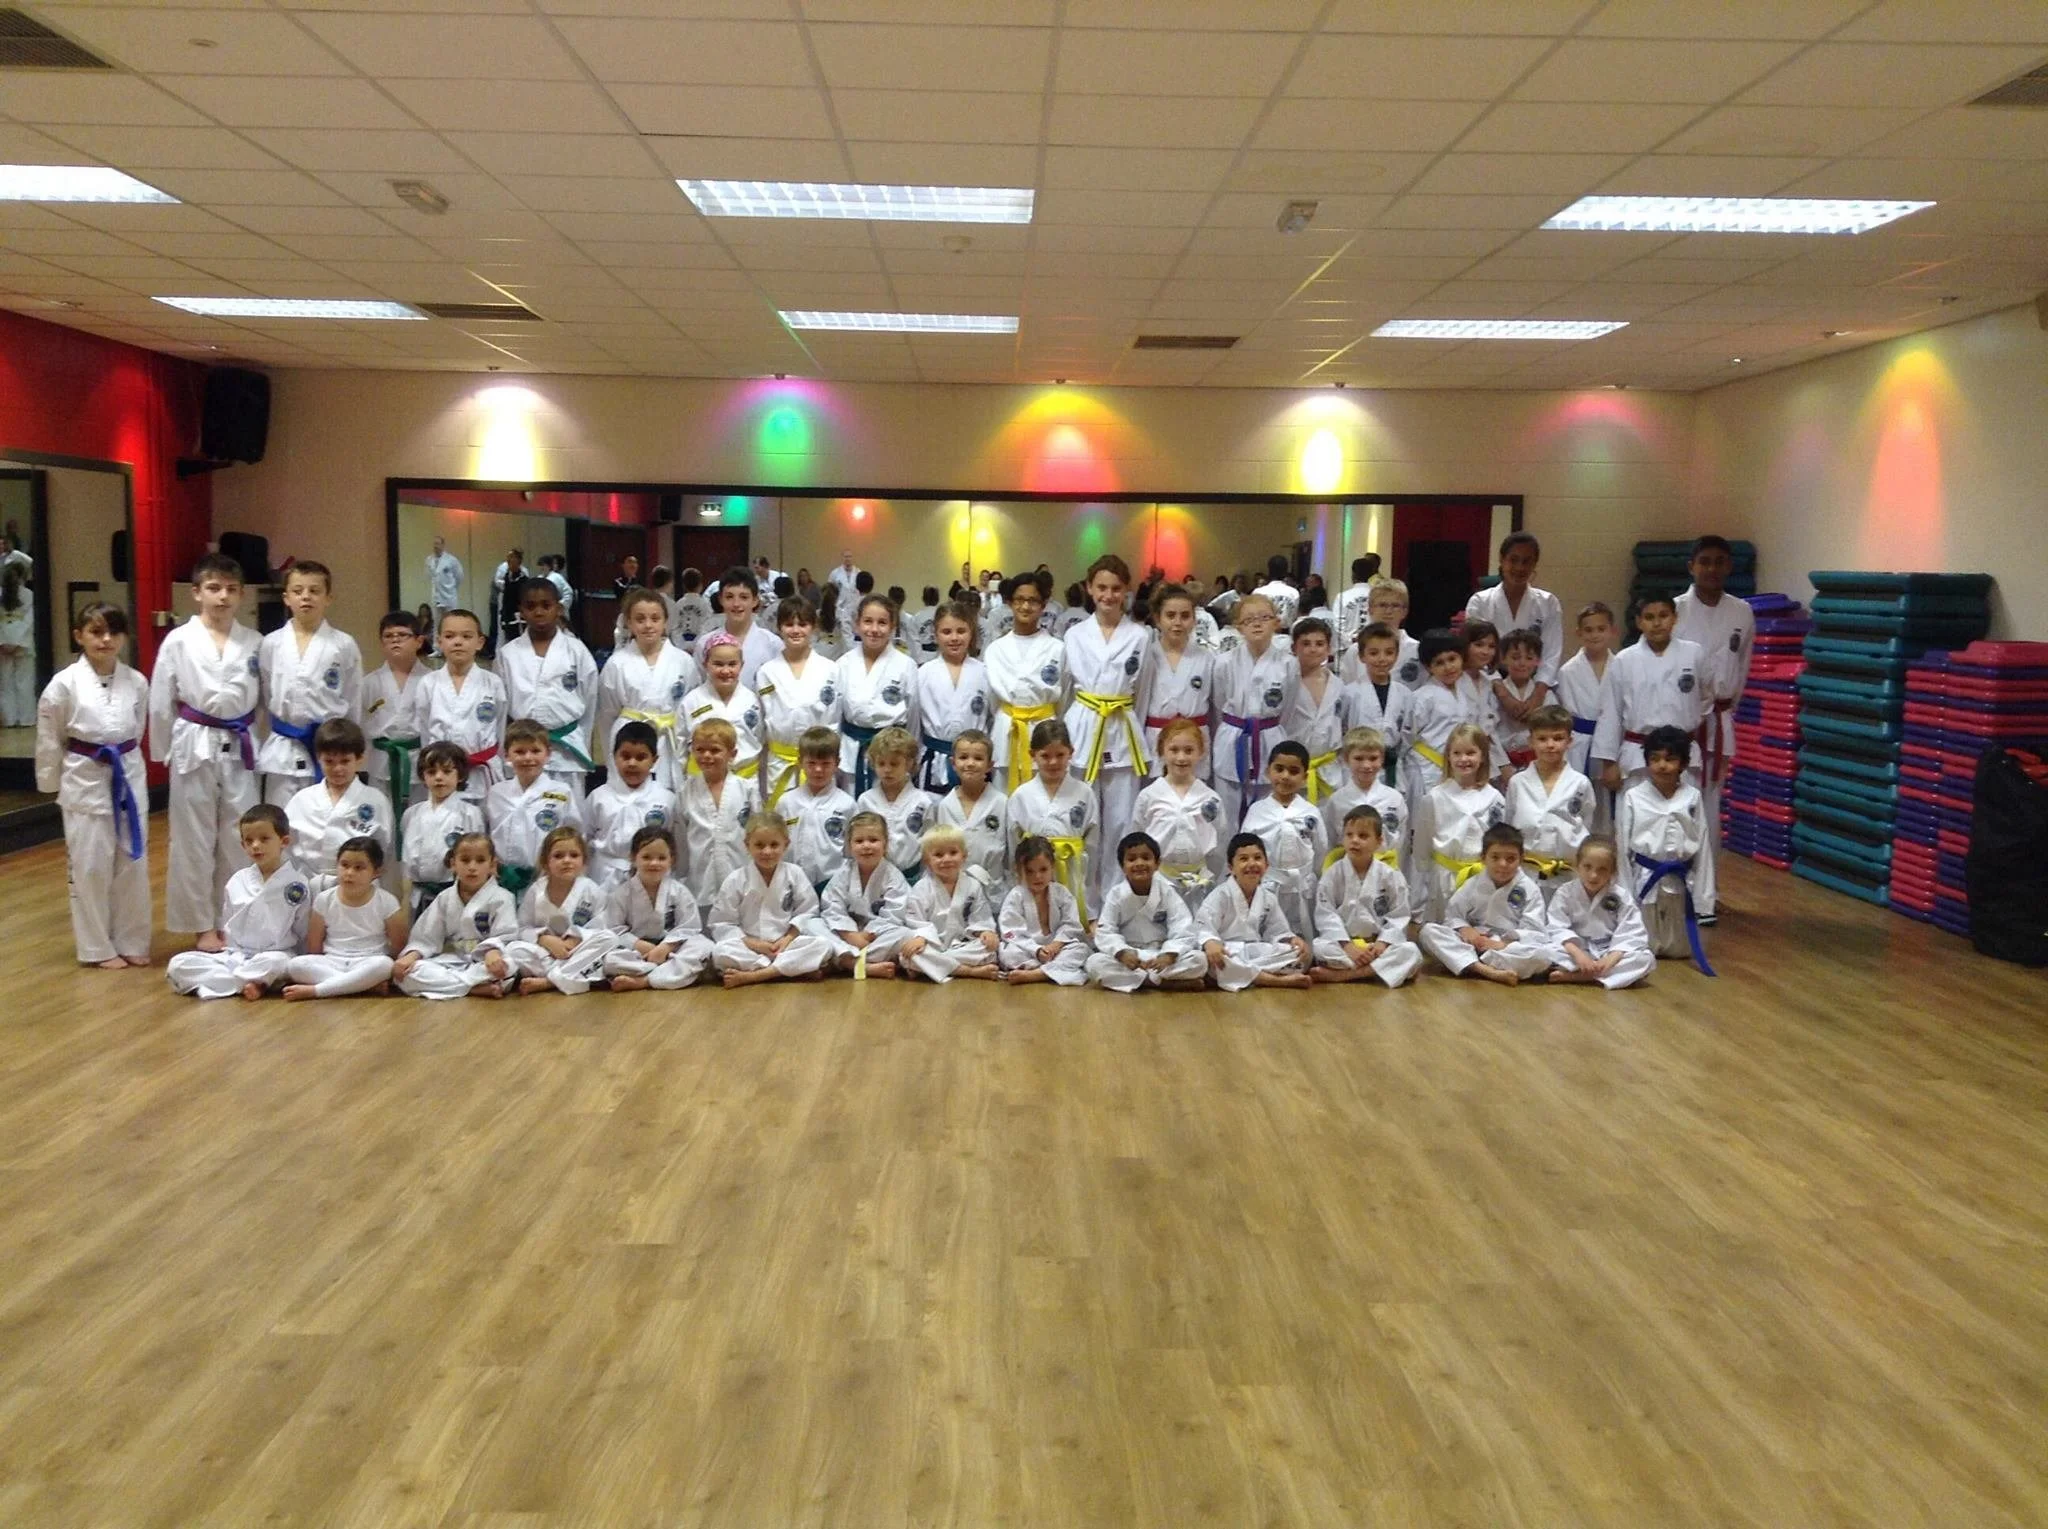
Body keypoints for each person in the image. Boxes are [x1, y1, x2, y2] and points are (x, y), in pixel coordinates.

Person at [150, 552, 263, 950]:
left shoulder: (255, 642)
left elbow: (263, 702)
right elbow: (161, 697)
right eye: (214, 588)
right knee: (193, 837)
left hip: (240, 742)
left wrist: (261, 747)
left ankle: (233, 919)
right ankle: (202, 925)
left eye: (231, 589)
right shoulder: (178, 639)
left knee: (240, 835)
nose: (222, 597)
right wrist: (162, 750)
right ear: (197, 592)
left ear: (242, 595)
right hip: (193, 741)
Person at [37, 601, 151, 968]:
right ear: (79, 636)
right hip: (84, 777)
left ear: (124, 637)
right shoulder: (63, 685)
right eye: (96, 632)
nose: (105, 640)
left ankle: (132, 939)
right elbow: (50, 738)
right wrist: (51, 782)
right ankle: (97, 946)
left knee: (132, 861)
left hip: (128, 772)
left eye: (114, 632)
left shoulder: (136, 681)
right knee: (90, 865)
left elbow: (138, 729)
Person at [1673, 535, 1752, 923]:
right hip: (1680, 723)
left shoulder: (1742, 613)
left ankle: (1707, 891)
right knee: (1677, 808)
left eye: (1720, 561)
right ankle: (1672, 886)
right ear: (1691, 566)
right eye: (1704, 561)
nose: (1712, 568)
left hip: (1718, 720)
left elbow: (1744, 667)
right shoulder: (1675, 611)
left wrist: (1725, 711)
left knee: (1711, 809)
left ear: (1729, 567)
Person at [1062, 555, 1149, 889]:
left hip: (1122, 729)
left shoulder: (1140, 636)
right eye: (1101, 587)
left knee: (1120, 822)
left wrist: (1131, 726)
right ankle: (1081, 901)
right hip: (1084, 725)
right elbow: (1066, 689)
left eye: (1115, 588)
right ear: (1089, 588)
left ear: (1126, 591)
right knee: (1082, 818)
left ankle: (1115, 899)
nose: (1108, 595)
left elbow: (1142, 691)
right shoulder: (1074, 635)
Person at [164, 803, 310, 1000]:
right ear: (243, 845)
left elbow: (302, 931)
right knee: (178, 964)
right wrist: (232, 955)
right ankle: (250, 983)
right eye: (249, 841)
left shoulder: (297, 885)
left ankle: (241, 981)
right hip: (236, 956)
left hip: (275, 954)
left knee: (279, 964)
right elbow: (228, 923)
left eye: (264, 839)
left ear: (284, 841)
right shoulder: (237, 881)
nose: (255, 846)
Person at [1617, 724, 1714, 972]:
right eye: (1655, 758)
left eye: (1670, 759)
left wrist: (1705, 899)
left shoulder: (1691, 796)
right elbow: (1623, 847)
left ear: (1682, 763)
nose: (1662, 765)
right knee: (1643, 945)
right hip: (1645, 875)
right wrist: (1624, 893)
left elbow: (1702, 844)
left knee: (1679, 948)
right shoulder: (1634, 796)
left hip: (1680, 876)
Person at [496, 577, 598, 804]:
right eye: (531, 606)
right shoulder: (508, 654)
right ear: (521, 610)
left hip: (567, 747)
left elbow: (590, 703)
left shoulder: (576, 651)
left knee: (568, 815)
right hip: (523, 749)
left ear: (558, 608)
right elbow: (501, 709)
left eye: (546, 605)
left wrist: (584, 740)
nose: (539, 612)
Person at [1417, 823, 1553, 985]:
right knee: (1428, 931)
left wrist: (1503, 944)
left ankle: (1471, 963)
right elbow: (1453, 915)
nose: (1503, 864)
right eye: (1495, 857)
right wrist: (1466, 929)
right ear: (1483, 858)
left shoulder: (1530, 889)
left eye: (1510, 859)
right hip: (1473, 942)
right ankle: (1486, 970)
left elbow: (1534, 931)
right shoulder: (1473, 883)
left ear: (1521, 859)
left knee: (1543, 956)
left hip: (1505, 947)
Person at [709, 812, 832, 987]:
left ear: (786, 845)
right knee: (720, 952)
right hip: (750, 948)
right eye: (759, 845)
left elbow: (808, 912)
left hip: (786, 945)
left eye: (774, 845)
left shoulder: (794, 873)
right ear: (747, 845)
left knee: (823, 945)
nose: (767, 851)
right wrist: (754, 944)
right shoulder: (736, 879)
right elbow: (722, 923)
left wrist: (788, 938)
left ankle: (757, 975)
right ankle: (792, 969)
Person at [594, 587, 697, 791]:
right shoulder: (616, 664)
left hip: (670, 741)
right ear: (629, 623)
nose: (648, 625)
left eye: (655, 618)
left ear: (666, 621)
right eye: (640, 619)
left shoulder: (683, 661)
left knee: (668, 802)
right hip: (630, 742)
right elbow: (607, 716)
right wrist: (612, 756)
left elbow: (691, 710)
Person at [394, 830, 518, 998]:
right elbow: (426, 938)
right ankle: (474, 988)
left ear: (492, 865)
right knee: (407, 974)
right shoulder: (444, 898)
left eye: (480, 860)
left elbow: (506, 936)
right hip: (454, 960)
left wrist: (493, 951)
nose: (472, 867)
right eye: (465, 860)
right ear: (453, 863)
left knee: (510, 965)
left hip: (486, 961)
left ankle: (455, 986)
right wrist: (412, 955)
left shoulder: (502, 898)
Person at [282, 836, 408, 1000]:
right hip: (333, 960)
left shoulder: (386, 901)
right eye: (344, 865)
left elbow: (398, 945)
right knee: (295, 965)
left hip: (369, 960)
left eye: (359, 868)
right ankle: (363, 986)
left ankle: (318, 991)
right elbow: (314, 945)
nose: (349, 873)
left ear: (376, 872)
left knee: (385, 965)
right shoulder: (324, 899)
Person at [1309, 805, 1421, 987]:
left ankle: (1345, 975)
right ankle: (1381, 970)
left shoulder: (1390, 875)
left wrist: (1383, 944)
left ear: (1379, 841)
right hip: (1346, 945)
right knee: (1319, 947)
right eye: (1349, 835)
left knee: (1411, 951)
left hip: (1377, 945)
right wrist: (1349, 947)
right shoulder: (1333, 874)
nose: (1355, 841)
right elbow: (1326, 915)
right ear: (1342, 839)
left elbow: (1399, 915)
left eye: (1363, 836)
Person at [504, 826, 622, 996]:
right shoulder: (536, 891)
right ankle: (571, 976)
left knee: (609, 939)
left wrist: (576, 938)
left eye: (574, 855)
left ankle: (549, 981)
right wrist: (544, 939)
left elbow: (601, 925)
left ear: (584, 860)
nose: (567, 860)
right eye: (558, 856)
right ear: (546, 862)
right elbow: (522, 928)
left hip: (578, 950)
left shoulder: (591, 889)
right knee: (513, 949)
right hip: (547, 954)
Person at [1086, 831, 1208, 993]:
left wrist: (1169, 954)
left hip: (1161, 955)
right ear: (1122, 866)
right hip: (1131, 956)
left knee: (1200, 960)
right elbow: (1106, 931)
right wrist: (1122, 952)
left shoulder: (1167, 892)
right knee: (1094, 963)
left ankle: (1141, 981)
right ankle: (1162, 983)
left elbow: (1182, 927)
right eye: (1131, 859)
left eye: (1146, 857)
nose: (1139, 863)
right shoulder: (1116, 894)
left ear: (1157, 863)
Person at [406, 608, 505, 801]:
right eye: (450, 636)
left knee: (482, 829)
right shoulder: (428, 683)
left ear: (480, 642)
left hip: (483, 773)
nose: (458, 642)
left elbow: (500, 729)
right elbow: (425, 733)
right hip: (442, 775)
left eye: (467, 636)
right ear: (439, 641)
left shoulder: (493, 683)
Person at [1212, 593, 1294, 826]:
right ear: (1238, 627)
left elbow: (1287, 708)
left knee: (1266, 812)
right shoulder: (1224, 662)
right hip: (1233, 735)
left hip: (1269, 736)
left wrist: (1271, 729)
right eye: (1249, 619)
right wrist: (1233, 728)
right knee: (1227, 814)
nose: (1257, 623)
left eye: (1264, 617)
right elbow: (1219, 705)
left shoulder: (1288, 664)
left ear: (1276, 623)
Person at [1412, 721, 1506, 923]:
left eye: (1471, 753)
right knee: (1442, 931)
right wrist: (1425, 877)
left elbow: (1501, 841)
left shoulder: (1494, 798)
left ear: (1482, 757)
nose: (1464, 759)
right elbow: (1422, 843)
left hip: (1482, 876)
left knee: (1479, 930)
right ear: (1448, 757)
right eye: (1457, 753)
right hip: (1444, 876)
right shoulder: (1434, 797)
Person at [1006, 718, 1098, 926]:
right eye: (1045, 756)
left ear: (1071, 753)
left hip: (1072, 869)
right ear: (1032, 755)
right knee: (1036, 925)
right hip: (1034, 872)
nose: (1053, 762)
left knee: (1071, 927)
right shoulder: (1021, 795)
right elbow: (1014, 843)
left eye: (1060, 755)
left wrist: (1088, 883)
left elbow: (1092, 844)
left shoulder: (1084, 793)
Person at [282, 718, 394, 886]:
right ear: (318, 758)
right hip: (308, 883)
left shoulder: (376, 801)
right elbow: (286, 848)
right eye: (329, 761)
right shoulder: (301, 800)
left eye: (345, 761)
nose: (337, 769)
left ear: (360, 759)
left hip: (359, 887)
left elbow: (384, 849)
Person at [1130, 716, 1224, 912]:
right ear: (1161, 752)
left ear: (1200, 753)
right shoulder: (1149, 796)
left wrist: (1213, 876)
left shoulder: (1210, 798)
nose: (1181, 757)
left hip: (1200, 881)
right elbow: (1137, 837)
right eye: (1174, 750)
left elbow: (1220, 841)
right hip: (1161, 880)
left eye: (1189, 751)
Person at [1197, 833, 1313, 990]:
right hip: (1228, 951)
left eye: (1257, 858)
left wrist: (1291, 940)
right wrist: (1210, 942)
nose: (1252, 864)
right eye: (1243, 859)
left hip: (1255, 951)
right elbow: (1204, 927)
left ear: (1266, 865)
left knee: (1299, 954)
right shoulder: (1221, 895)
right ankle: (1275, 980)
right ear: (1231, 868)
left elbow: (1278, 931)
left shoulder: (1268, 897)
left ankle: (1245, 975)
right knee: (1210, 961)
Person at [604, 827, 712, 991]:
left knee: (704, 947)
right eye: (647, 857)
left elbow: (689, 926)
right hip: (637, 952)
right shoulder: (621, 894)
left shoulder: (679, 891)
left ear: (671, 860)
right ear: (633, 858)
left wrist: (665, 948)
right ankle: (669, 973)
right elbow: (614, 930)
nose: (654, 863)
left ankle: (644, 980)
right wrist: (641, 946)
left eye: (662, 858)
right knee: (610, 960)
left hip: (671, 949)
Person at [756, 595, 840, 807]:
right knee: (781, 823)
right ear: (779, 627)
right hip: (780, 761)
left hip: (819, 761)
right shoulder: (766, 672)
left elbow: (835, 720)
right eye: (789, 624)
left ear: (814, 627)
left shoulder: (830, 669)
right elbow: (761, 725)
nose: (795, 630)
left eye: (802, 624)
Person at [984, 575, 1064, 795]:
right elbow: (992, 701)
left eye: (1033, 601)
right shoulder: (995, 649)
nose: (1026, 606)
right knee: (1004, 797)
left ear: (1043, 605)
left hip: (1043, 727)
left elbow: (1064, 699)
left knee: (1042, 797)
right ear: (1009, 602)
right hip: (1007, 728)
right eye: (1019, 599)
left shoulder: (1057, 649)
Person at [485, 718, 582, 897]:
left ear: (548, 754)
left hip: (545, 876)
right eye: (520, 752)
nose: (528, 758)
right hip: (502, 877)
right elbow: (487, 834)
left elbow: (573, 835)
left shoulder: (561, 792)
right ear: (507, 755)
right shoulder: (496, 793)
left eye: (535, 751)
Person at [1240, 740, 1327, 939]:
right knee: (1268, 934)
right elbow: (1246, 850)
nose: (1285, 776)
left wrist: (1310, 876)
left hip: (1302, 887)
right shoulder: (1257, 811)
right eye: (1279, 769)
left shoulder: (1310, 813)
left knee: (1305, 935)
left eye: (1293, 771)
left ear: (1305, 777)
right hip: (1269, 884)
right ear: (1268, 772)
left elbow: (1321, 849)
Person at [1544, 835, 1655, 989]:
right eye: (1587, 867)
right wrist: (1578, 955)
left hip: (1608, 950)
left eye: (1602, 869)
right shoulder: (1565, 892)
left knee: (1644, 959)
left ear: (1613, 872)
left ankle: (1580, 977)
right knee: (1543, 951)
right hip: (1577, 950)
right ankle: (1603, 976)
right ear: (1577, 865)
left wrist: (1611, 959)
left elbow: (1632, 933)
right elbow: (1556, 928)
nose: (1593, 875)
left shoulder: (1620, 896)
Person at [1505, 704, 1594, 893]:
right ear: (1531, 741)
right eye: (1542, 739)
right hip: (1526, 873)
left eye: (1558, 738)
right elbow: (1509, 827)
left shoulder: (1580, 783)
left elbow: (1586, 825)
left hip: (1567, 875)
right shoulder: (1517, 783)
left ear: (1570, 741)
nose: (1550, 744)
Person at [837, 595, 918, 797]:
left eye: (882, 623)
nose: (874, 629)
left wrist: (911, 756)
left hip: (892, 755)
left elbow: (914, 716)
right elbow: (836, 716)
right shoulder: (843, 664)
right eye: (867, 621)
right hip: (851, 750)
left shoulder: (905, 665)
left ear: (892, 627)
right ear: (857, 625)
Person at [898, 824, 1001, 982]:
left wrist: (984, 932)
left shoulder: (972, 885)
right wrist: (921, 938)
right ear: (927, 861)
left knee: (990, 949)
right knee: (907, 956)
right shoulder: (921, 888)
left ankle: (931, 967)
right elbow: (916, 921)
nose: (946, 859)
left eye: (953, 853)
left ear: (964, 855)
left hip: (962, 944)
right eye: (938, 855)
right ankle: (969, 971)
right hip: (931, 945)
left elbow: (980, 917)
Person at [677, 717, 758, 915]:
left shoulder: (746, 789)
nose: (706, 756)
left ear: (732, 754)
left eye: (714, 750)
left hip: (740, 872)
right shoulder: (685, 791)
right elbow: (680, 837)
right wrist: (680, 874)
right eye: (699, 749)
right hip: (699, 878)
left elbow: (757, 833)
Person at [820, 811, 912, 979]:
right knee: (811, 924)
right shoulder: (844, 873)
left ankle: (845, 962)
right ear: (849, 845)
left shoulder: (893, 876)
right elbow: (832, 907)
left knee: (906, 935)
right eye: (859, 841)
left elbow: (894, 915)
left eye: (873, 840)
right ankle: (861, 965)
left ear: (885, 844)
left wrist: (868, 934)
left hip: (876, 938)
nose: (866, 846)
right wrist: (849, 934)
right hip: (847, 936)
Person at [583, 720, 675, 886]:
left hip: (651, 875)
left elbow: (675, 844)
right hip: (604, 876)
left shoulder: (666, 799)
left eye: (641, 757)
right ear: (614, 757)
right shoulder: (598, 797)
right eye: (625, 756)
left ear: (654, 760)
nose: (632, 763)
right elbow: (584, 839)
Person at [398, 741, 484, 917]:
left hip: (456, 893)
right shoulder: (411, 814)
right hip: (418, 894)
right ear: (423, 777)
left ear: (460, 775)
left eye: (446, 771)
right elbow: (406, 863)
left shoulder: (470, 814)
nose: (439, 777)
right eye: (431, 772)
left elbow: (478, 856)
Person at [1464, 532, 1562, 684]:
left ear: (1534, 564)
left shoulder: (1548, 602)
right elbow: (1477, 654)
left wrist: (1540, 690)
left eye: (1526, 561)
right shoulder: (1480, 602)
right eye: (1513, 560)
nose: (1519, 567)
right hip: (1489, 682)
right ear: (1502, 560)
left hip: (1535, 682)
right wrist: (1501, 690)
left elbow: (1552, 653)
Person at [1139, 583, 1213, 782]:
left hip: (1195, 738)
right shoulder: (1147, 656)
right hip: (1157, 737)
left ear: (1194, 619)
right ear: (1157, 619)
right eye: (1170, 615)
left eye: (1185, 616)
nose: (1178, 622)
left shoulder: (1207, 658)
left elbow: (1216, 708)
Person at [916, 599, 989, 793]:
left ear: (971, 632)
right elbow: (915, 723)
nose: (954, 638)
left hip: (975, 761)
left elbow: (991, 717)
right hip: (935, 758)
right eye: (946, 632)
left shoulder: (984, 672)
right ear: (936, 634)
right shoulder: (924, 673)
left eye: (961, 631)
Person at [1554, 602, 1617, 823]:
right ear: (1579, 633)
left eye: (1601, 629)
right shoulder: (1567, 671)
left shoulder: (1621, 666)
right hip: (1579, 745)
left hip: (1612, 743)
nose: (1595, 635)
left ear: (1612, 631)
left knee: (1608, 807)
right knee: (1578, 805)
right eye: (1588, 630)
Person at [997, 835, 1088, 986]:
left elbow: (1071, 925)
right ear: (1019, 870)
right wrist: (1037, 950)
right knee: (1009, 954)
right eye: (1030, 871)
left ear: (1053, 867)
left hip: (1056, 948)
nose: (1037, 876)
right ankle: (1054, 971)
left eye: (1043, 869)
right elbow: (1011, 932)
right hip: (1028, 949)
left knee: (1081, 949)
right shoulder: (1015, 896)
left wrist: (1056, 945)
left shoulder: (1061, 893)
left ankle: (1035, 974)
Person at [362, 610, 426, 818]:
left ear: (419, 641)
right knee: (381, 820)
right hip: (382, 760)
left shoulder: (433, 680)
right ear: (381, 643)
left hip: (419, 761)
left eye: (402, 634)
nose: (395, 640)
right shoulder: (369, 682)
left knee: (418, 819)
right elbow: (360, 725)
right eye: (389, 636)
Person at [776, 726, 856, 891]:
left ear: (837, 764)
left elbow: (851, 852)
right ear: (800, 762)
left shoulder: (847, 804)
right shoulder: (786, 802)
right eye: (811, 763)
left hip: (834, 883)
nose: (818, 770)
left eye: (825, 764)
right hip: (792, 882)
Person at [1321, 727, 1406, 877]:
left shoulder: (1394, 798)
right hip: (1348, 871)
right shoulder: (1337, 800)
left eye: (1373, 758)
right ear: (1346, 759)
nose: (1367, 765)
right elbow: (1330, 841)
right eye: (1359, 758)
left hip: (1387, 871)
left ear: (1382, 759)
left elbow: (1402, 840)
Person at [855, 726, 935, 882]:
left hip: (912, 878)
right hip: (874, 877)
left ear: (910, 763)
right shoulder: (865, 800)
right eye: (881, 763)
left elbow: (930, 847)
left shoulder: (923, 802)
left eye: (894, 764)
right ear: (872, 763)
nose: (887, 770)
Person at [682, 632, 763, 784]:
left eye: (732, 664)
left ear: (742, 665)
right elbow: (681, 747)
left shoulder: (751, 700)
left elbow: (760, 737)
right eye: (718, 664)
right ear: (706, 664)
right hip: (702, 780)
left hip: (745, 778)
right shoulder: (691, 701)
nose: (726, 671)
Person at [935, 729, 1008, 892]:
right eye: (963, 757)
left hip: (992, 888)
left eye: (978, 758)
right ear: (953, 763)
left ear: (990, 765)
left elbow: (1010, 855)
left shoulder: (1002, 803)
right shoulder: (945, 805)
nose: (970, 763)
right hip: (953, 887)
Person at [1282, 615, 1344, 803]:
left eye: (1319, 644)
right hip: (1291, 769)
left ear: (1328, 648)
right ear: (1294, 648)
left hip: (1328, 770)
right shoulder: (1285, 682)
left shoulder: (1339, 685)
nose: (1313, 649)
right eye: (1306, 643)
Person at [1340, 622, 1409, 788]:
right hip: (1357, 767)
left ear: (1397, 655)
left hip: (1392, 767)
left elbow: (1408, 733)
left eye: (1389, 653)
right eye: (1374, 653)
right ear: (1362, 656)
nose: (1382, 659)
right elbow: (1341, 730)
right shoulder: (1349, 693)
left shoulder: (1405, 694)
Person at [698, 566, 779, 686]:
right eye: (729, 597)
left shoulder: (773, 644)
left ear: (755, 600)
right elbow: (699, 691)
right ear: (721, 600)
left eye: (744, 597)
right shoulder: (705, 644)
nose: (736, 604)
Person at [1493, 628, 1550, 773]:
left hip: (1537, 761)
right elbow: (1490, 731)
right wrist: (1502, 764)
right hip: (1502, 762)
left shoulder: (1547, 695)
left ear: (1538, 661)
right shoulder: (1493, 692)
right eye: (1515, 657)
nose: (1522, 663)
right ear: (1503, 658)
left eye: (1529, 658)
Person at [0, 562, 33, 727]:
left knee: (6, 685)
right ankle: (27, 719)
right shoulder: (28, 595)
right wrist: (18, 642)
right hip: (24, 644)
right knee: (24, 682)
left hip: (2, 646)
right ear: (23, 576)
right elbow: (29, 621)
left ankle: (9, 720)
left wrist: (4, 642)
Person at [1331, 555, 1380, 655]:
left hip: (1346, 651)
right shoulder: (1378, 597)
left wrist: (1350, 641)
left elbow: (1337, 626)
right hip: (1372, 649)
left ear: (1353, 574)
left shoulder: (1342, 597)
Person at [490, 547, 526, 649]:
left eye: (512, 558)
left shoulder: (522, 577)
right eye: (508, 559)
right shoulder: (507, 575)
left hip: (517, 614)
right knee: (503, 637)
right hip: (507, 612)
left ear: (518, 561)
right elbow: (501, 586)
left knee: (517, 639)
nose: (509, 561)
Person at [425, 536, 464, 629]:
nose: (435, 546)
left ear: (443, 545)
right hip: (436, 596)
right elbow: (430, 576)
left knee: (451, 621)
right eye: (434, 544)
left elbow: (459, 576)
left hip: (449, 595)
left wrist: (451, 588)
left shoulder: (451, 560)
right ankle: (436, 643)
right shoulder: (429, 560)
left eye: (438, 544)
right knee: (437, 623)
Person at [1252, 553, 1298, 628]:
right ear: (1286, 571)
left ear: (1269, 570)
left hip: (1263, 633)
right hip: (1286, 635)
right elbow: (1294, 616)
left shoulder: (1258, 592)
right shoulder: (1294, 593)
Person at [672, 567, 713, 647]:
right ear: (700, 585)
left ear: (684, 585)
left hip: (680, 646)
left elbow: (674, 628)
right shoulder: (705, 604)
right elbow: (708, 626)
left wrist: (682, 645)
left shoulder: (678, 604)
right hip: (699, 644)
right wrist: (696, 644)